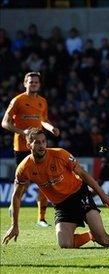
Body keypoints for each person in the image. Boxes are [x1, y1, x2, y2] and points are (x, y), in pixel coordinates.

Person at [2, 128, 109, 249]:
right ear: (28, 144)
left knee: (105, 240)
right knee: (65, 245)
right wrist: (15, 224)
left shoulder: (60, 154)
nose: (42, 145)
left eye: (44, 141)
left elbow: (84, 174)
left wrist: (102, 195)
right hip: (61, 205)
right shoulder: (24, 168)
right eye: (37, 142)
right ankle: (90, 235)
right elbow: (16, 197)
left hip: (79, 195)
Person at [2, 72, 60, 227]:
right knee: (22, 183)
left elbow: (43, 120)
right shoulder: (18, 100)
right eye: (30, 82)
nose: (33, 84)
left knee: (45, 181)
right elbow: (5, 123)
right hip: (21, 147)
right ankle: (14, 206)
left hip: (39, 147)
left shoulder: (42, 102)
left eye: (36, 82)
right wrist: (23, 133)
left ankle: (41, 218)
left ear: (39, 85)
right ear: (25, 83)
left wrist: (51, 128)